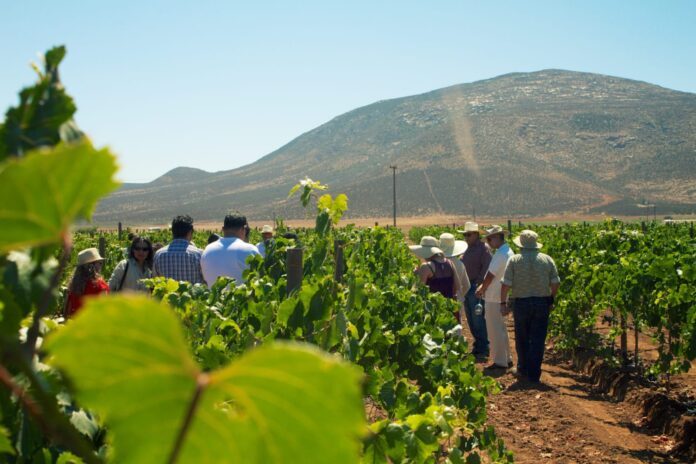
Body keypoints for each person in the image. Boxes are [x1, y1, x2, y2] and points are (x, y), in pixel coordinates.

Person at [500, 230, 560, 383]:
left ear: (520, 245)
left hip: (521, 303)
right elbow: (555, 282)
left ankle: (523, 370)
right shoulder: (547, 259)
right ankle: (534, 374)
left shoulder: (514, 260)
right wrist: (551, 299)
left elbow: (506, 285)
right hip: (542, 302)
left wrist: (503, 303)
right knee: (538, 339)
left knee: (522, 338)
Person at [475, 225, 514, 370]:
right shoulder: (508, 251)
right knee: (501, 329)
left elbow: (491, 275)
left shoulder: (500, 254)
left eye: (490, 239)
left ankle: (499, 361)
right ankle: (507, 358)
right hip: (501, 295)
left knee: (494, 329)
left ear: (498, 237)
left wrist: (481, 288)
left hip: (494, 296)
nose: (488, 242)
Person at [458, 222, 492, 359]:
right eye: (465, 235)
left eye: (469, 234)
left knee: (478, 318)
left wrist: (479, 283)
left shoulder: (484, 249)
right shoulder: (467, 248)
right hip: (466, 285)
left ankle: (484, 348)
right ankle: (478, 346)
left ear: (477, 235)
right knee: (470, 318)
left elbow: (487, 267)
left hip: (475, 285)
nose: (466, 237)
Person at [201, 214, 261, 287]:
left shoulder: (207, 250)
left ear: (223, 229)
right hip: (241, 298)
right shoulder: (250, 250)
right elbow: (259, 279)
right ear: (243, 229)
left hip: (214, 297)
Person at [153, 215, 205, 284]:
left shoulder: (159, 254)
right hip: (193, 295)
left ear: (172, 231)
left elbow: (156, 281)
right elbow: (207, 279)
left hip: (167, 294)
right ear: (190, 232)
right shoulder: (199, 254)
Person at [410, 236, 461, 301]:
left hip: (433, 308)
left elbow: (416, 291)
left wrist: (417, 275)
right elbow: (458, 286)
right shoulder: (450, 263)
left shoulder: (426, 266)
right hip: (448, 307)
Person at [65, 248, 109, 317]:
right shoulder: (100, 285)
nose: (101, 266)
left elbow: (69, 309)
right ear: (92, 266)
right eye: (99, 263)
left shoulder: (73, 285)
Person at [438, 233, 470, 327]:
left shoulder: (435, 264)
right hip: (456, 300)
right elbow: (467, 285)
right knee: (456, 327)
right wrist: (460, 296)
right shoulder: (460, 264)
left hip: (440, 300)